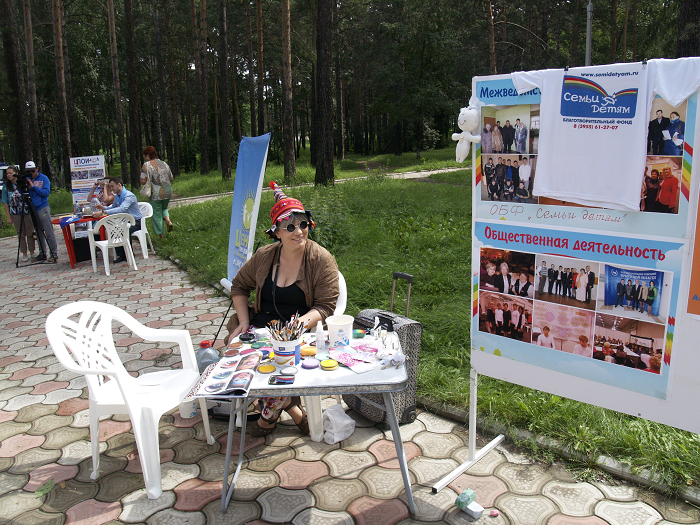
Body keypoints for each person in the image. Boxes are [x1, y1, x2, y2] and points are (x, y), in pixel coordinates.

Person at [224, 182, 339, 437]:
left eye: (303, 224)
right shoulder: (265, 256)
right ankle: (292, 409)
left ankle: (268, 416)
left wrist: (296, 327)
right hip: (261, 329)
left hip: (299, 333)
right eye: (290, 227)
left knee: (282, 361)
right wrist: (243, 322)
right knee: (244, 362)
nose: (298, 231)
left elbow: (325, 306)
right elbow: (239, 286)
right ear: (277, 232)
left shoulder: (321, 259)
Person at [93, 177, 143, 264]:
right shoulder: (117, 196)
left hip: (136, 222)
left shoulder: (129, 195)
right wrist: (103, 208)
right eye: (110, 186)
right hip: (125, 222)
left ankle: (129, 253)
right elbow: (113, 207)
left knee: (123, 230)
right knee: (114, 229)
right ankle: (121, 254)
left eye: (112, 186)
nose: (111, 188)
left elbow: (121, 209)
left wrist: (103, 212)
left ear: (119, 185)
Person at [24, 161, 58, 263]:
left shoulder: (44, 178)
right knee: (38, 232)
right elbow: (23, 193)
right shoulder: (27, 179)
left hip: (42, 207)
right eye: (29, 171)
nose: (31, 173)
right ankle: (42, 253)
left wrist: (33, 187)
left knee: (48, 231)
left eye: (33, 171)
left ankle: (53, 253)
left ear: (37, 169)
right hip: (32, 208)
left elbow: (46, 193)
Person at [2, 166, 36, 261]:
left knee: (30, 232)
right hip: (15, 212)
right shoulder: (6, 187)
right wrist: (8, 217)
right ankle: (24, 253)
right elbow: (5, 202)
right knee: (20, 233)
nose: (9, 175)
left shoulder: (22, 183)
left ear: (16, 173)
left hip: (26, 211)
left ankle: (32, 251)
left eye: (10, 173)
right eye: (7, 173)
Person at [140, 146, 174, 239]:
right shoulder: (164, 163)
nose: (145, 158)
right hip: (167, 191)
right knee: (164, 208)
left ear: (148, 155)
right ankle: (168, 221)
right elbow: (171, 177)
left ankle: (161, 236)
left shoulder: (146, 165)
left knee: (156, 213)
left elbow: (142, 180)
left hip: (155, 193)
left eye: (145, 156)